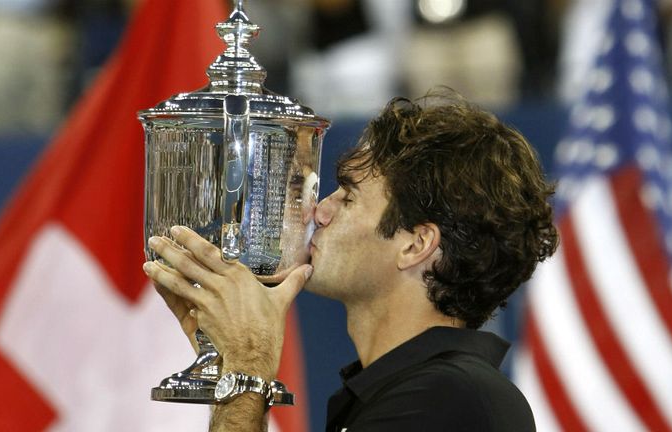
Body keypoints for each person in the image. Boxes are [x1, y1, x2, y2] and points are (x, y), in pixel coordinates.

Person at [142, 90, 559, 431]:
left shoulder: (446, 399)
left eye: (348, 196)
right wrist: (229, 356)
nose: (319, 211)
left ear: (417, 245)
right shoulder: (421, 390)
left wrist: (249, 365)